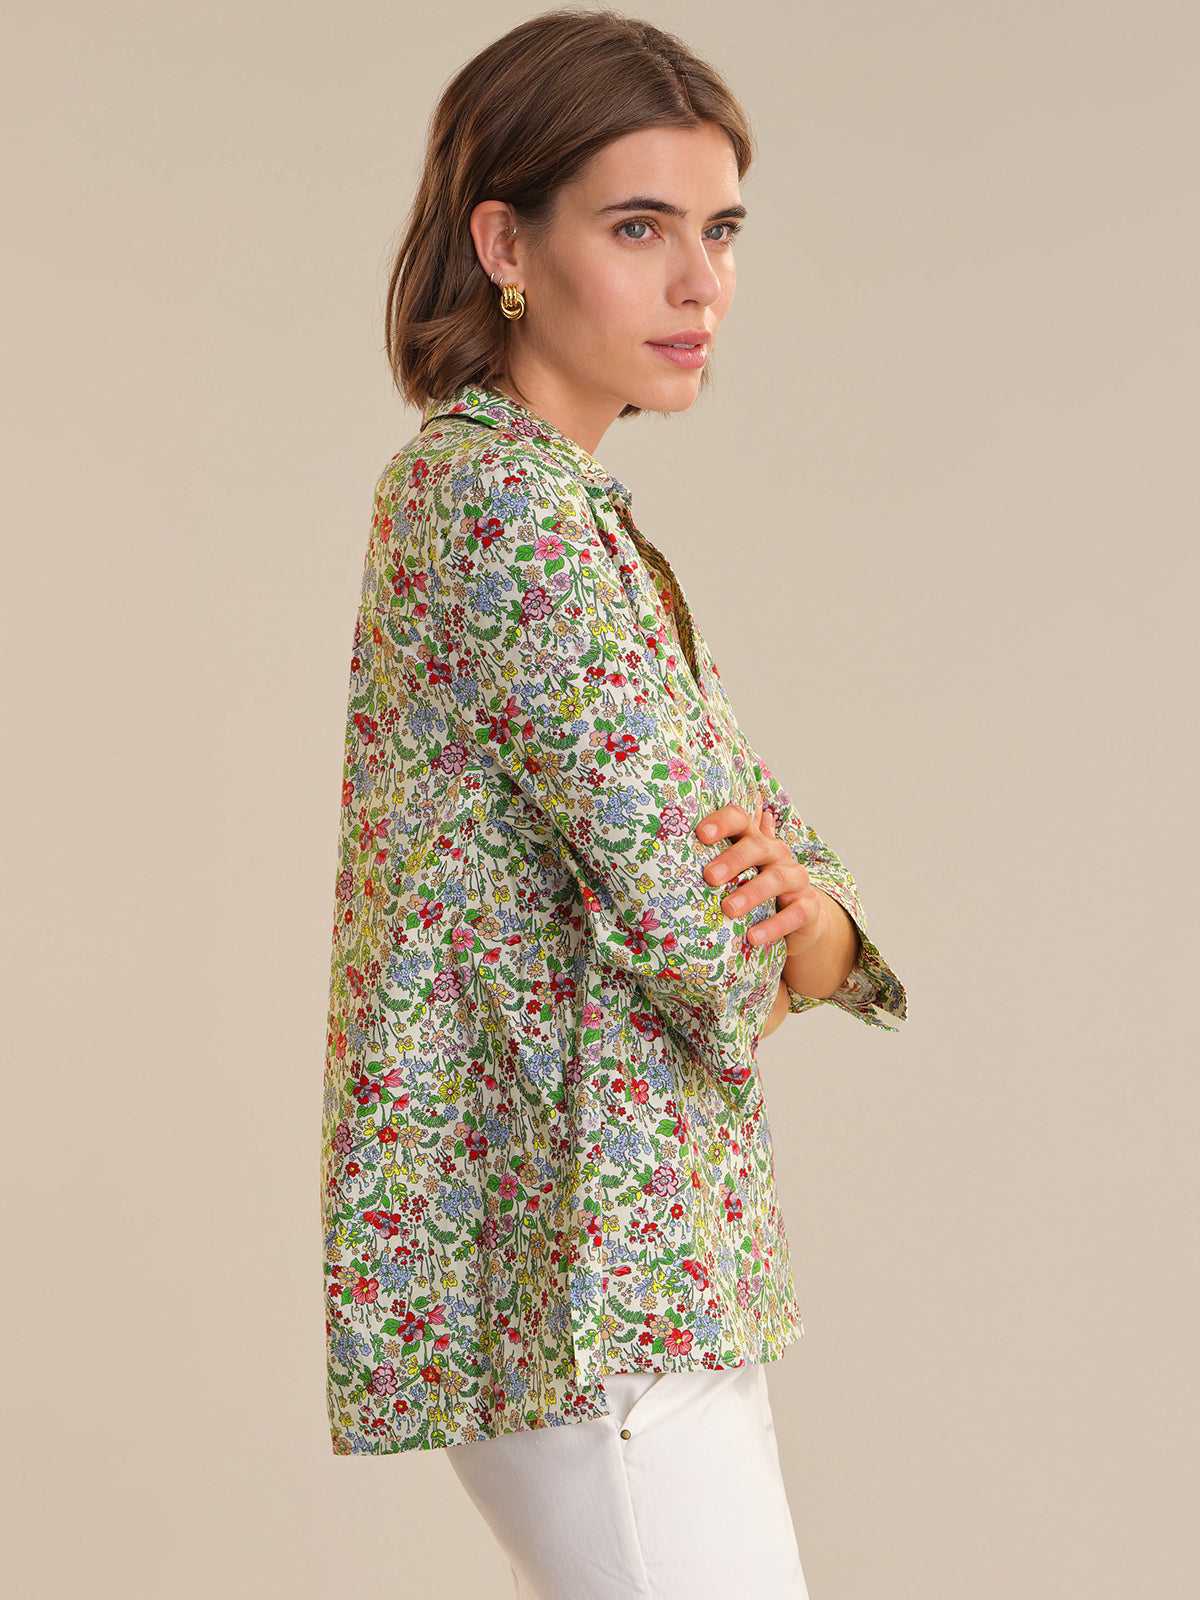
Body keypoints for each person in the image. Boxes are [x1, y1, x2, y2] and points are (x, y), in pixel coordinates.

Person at [319, 8, 907, 1596]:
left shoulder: (571, 512)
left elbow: (771, 849)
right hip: (592, 1283)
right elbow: (716, 932)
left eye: (718, 231)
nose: (700, 282)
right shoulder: (491, 502)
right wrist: (793, 936)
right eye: (639, 228)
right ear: (503, 239)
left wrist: (816, 915)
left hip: (640, 1274)